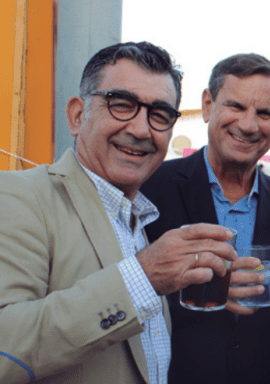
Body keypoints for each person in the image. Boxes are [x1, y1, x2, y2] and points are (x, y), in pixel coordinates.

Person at [0, 42, 250, 384]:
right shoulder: (18, 195)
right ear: (77, 115)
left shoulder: (136, 219)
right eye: (121, 105)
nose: (141, 129)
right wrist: (144, 277)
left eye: (159, 114)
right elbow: (5, 350)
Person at [141, 53, 270, 384]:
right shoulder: (151, 187)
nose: (249, 125)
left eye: (265, 113)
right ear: (208, 105)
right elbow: (124, 286)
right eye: (236, 107)